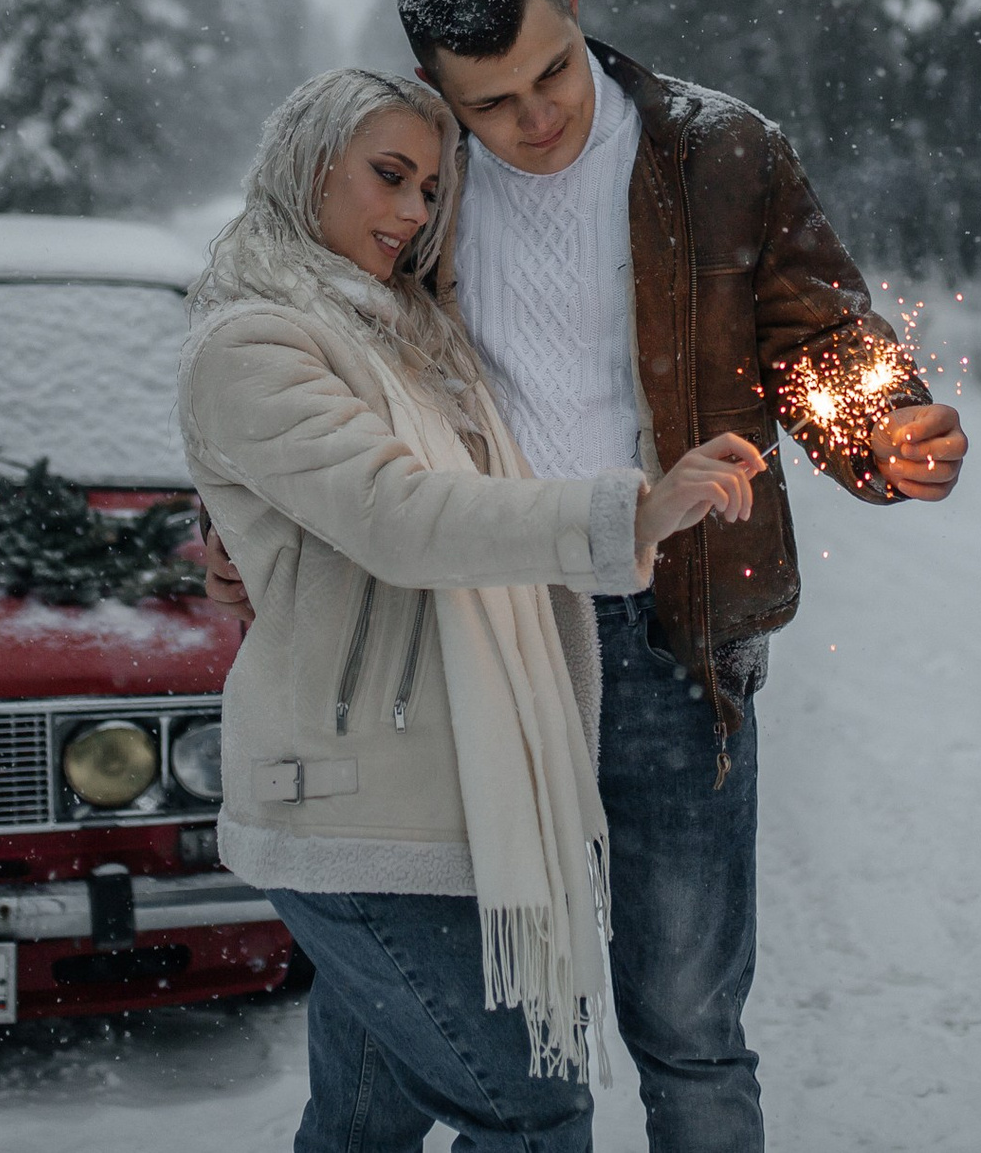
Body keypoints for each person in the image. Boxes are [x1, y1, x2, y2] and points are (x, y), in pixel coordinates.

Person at [209, 0, 968, 1153]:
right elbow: (305, 337)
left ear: (574, 6)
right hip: (475, 634)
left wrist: (884, 431)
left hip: (676, 635)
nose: (537, 120)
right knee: (435, 1015)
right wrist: (237, 516)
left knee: (686, 1021)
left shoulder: (719, 150)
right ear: (439, 95)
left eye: (551, 74)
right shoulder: (419, 180)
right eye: (493, 103)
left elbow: (820, 337)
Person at [178, 68, 771, 1153]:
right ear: (310, 164)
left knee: (366, 1117)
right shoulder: (255, 344)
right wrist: (630, 515)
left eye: (429, 189)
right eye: (387, 177)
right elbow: (402, 516)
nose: (410, 213)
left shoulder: (409, 333)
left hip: (428, 794)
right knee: (532, 1107)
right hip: (353, 810)